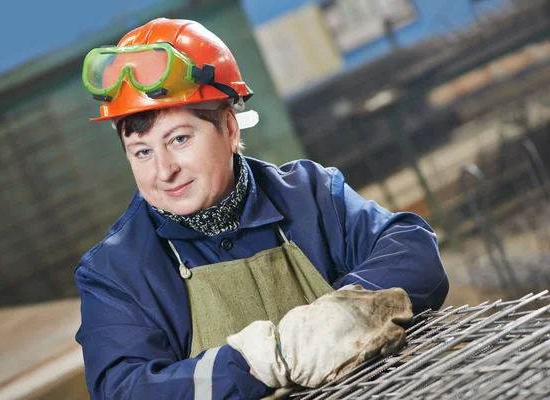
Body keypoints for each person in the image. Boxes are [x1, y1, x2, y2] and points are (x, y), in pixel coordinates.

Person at [74, 17, 449, 400]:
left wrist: (343, 316)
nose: (164, 170)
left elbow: (413, 250)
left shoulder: (310, 195)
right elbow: (124, 390)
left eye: (180, 139)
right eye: (142, 152)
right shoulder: (115, 273)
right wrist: (257, 363)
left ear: (230, 128)